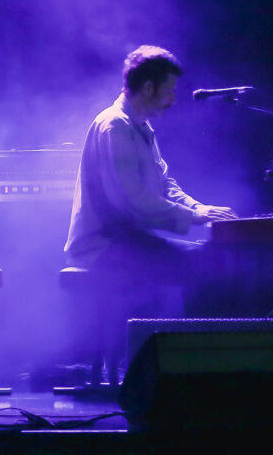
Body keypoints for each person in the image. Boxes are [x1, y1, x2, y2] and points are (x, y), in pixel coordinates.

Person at [64, 46, 235, 290]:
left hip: (130, 243)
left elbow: (164, 184)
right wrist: (195, 216)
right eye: (169, 91)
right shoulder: (115, 126)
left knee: (210, 257)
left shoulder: (140, 126)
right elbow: (133, 199)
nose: (173, 100)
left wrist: (199, 207)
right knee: (206, 263)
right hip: (104, 249)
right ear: (148, 88)